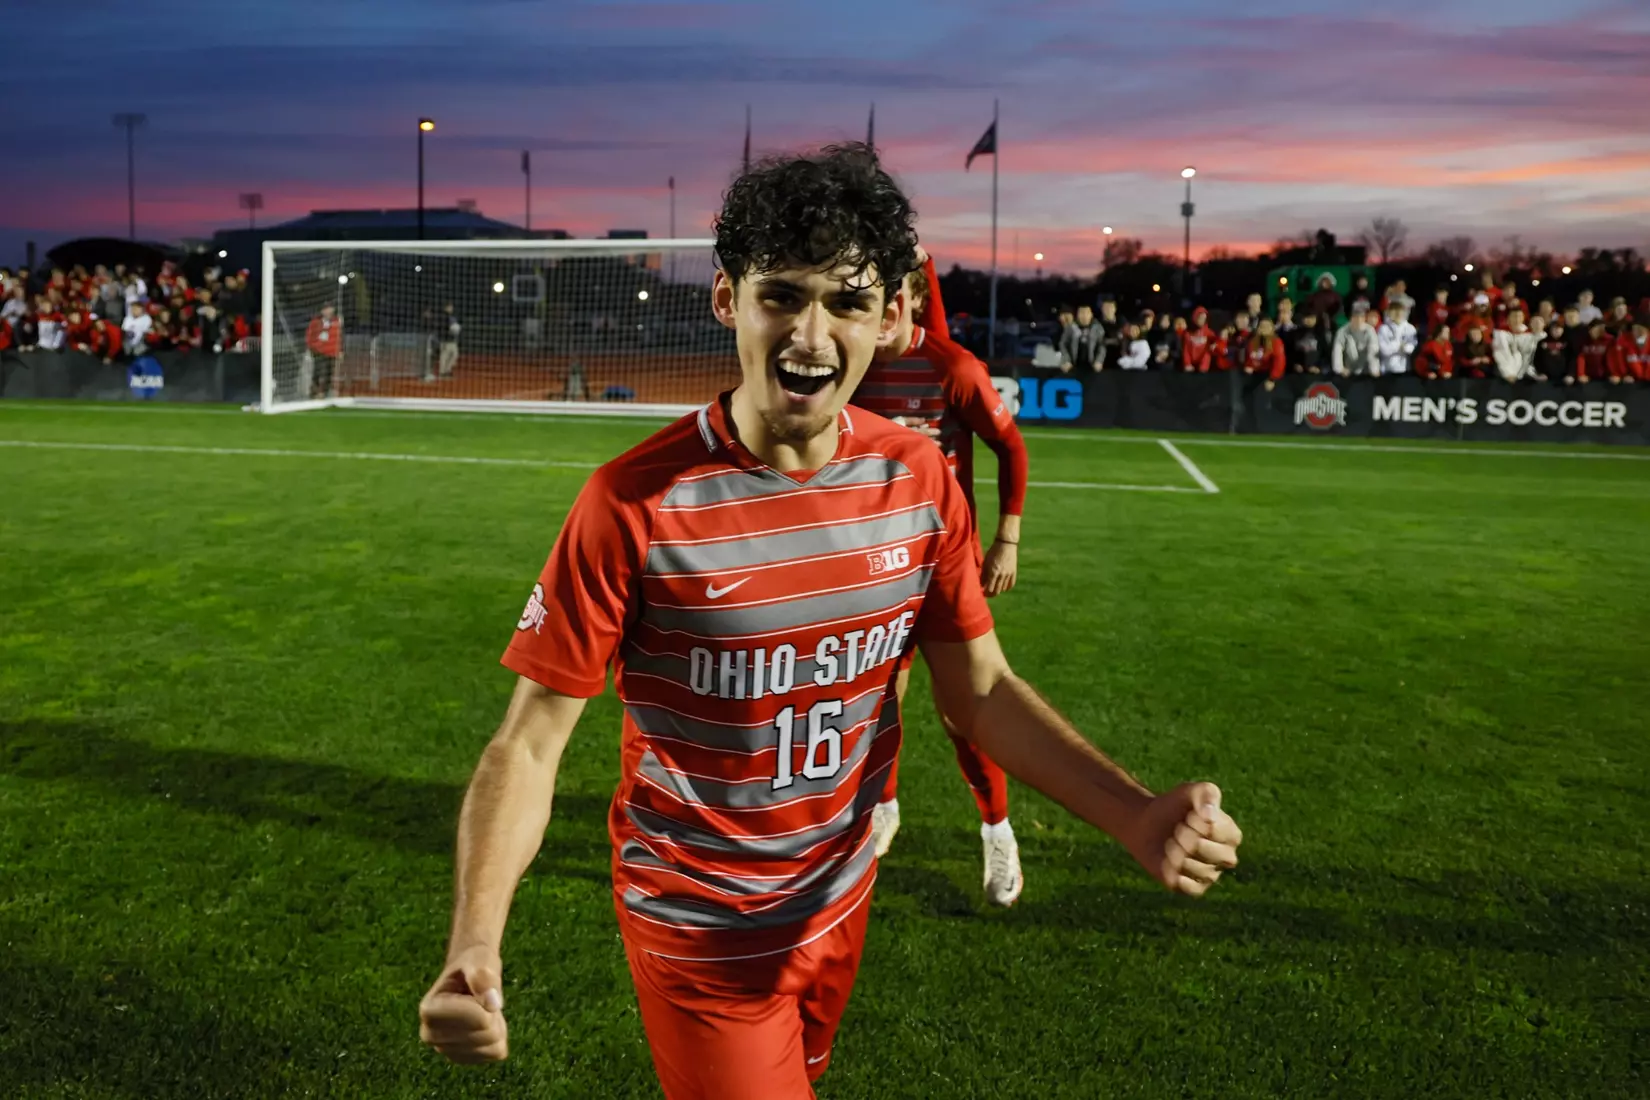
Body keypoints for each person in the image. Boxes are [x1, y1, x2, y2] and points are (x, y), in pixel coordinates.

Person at [416, 144, 1243, 1098]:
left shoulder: (919, 479)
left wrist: (1133, 816)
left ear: (891, 316)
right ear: (729, 299)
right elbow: (527, 744)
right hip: (704, 935)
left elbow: (980, 691)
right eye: (783, 296)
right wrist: (474, 944)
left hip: (843, 901)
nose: (812, 334)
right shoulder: (632, 504)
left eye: (847, 302)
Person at [855, 247, 1031, 904]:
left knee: (967, 714)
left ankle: (997, 833)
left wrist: (1008, 539)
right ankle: (884, 808)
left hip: (947, 566)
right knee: (879, 699)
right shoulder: (858, 367)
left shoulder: (953, 368)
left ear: (908, 302)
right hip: (877, 564)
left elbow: (1010, 448)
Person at [305, 303, 343, 399]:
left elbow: (341, 337)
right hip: (319, 350)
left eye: (330, 309)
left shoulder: (337, 321)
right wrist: (311, 347)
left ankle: (324, 391)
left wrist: (341, 350)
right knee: (319, 371)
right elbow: (309, 335)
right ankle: (315, 391)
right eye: (326, 309)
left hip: (332, 351)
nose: (329, 311)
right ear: (322, 311)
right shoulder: (315, 322)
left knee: (329, 372)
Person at [1331, 305, 1379, 376]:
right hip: (1348, 370)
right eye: (1356, 317)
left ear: (1364, 319)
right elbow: (1337, 350)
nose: (1359, 320)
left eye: (1361, 317)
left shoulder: (1370, 330)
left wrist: (1374, 370)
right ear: (1351, 318)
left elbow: (1373, 350)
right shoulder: (1342, 331)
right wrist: (1340, 369)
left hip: (1366, 369)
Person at [1492, 308, 1538, 382]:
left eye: (1519, 316)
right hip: (1505, 371)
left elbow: (1529, 355)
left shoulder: (1528, 334)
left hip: (1524, 371)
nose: (1517, 319)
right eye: (1514, 316)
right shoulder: (1500, 333)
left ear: (1523, 318)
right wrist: (1508, 373)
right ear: (1508, 318)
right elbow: (1500, 353)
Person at [1241, 317, 1287, 390]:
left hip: (1268, 376)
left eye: (1267, 326)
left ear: (1272, 328)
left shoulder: (1276, 342)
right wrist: (1248, 366)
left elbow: (1279, 362)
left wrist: (1272, 379)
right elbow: (1249, 357)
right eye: (1262, 326)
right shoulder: (1252, 341)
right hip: (1254, 375)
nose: (1264, 328)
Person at [1059, 303, 1104, 372]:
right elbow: (1062, 344)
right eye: (1081, 313)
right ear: (1077, 315)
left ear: (1091, 315)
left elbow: (1102, 346)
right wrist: (1066, 360)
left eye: (1087, 313)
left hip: (1092, 365)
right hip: (1073, 364)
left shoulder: (1098, 328)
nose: (1084, 316)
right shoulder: (1070, 327)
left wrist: (1099, 361)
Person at [1376, 305, 1418, 375]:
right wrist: (1399, 345)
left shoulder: (1410, 328)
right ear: (1390, 313)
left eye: (1401, 312)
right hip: (1387, 369)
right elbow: (1384, 350)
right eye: (1395, 312)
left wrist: (1405, 347)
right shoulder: (1383, 328)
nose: (1398, 315)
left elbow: (1411, 349)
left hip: (1404, 368)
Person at [1533, 316, 1573, 384]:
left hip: (1565, 378)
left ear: (1563, 329)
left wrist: (1570, 374)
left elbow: (1572, 359)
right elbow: (1537, 359)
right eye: (1554, 328)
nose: (1557, 330)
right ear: (1550, 329)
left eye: (1559, 328)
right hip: (1545, 377)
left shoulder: (1568, 343)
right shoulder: (1542, 342)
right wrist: (1542, 373)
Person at [1610, 318, 1649, 383]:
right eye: (1634, 329)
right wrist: (1624, 375)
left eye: (1639, 329)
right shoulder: (1624, 341)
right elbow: (1618, 359)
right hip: (1631, 381)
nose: (1636, 332)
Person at [1180, 306, 1215, 372]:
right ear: (1195, 317)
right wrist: (1187, 364)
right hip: (1190, 365)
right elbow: (1185, 350)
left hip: (1203, 366)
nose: (1202, 320)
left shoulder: (1209, 333)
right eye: (1200, 318)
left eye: (1204, 318)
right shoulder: (1187, 333)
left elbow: (1214, 345)